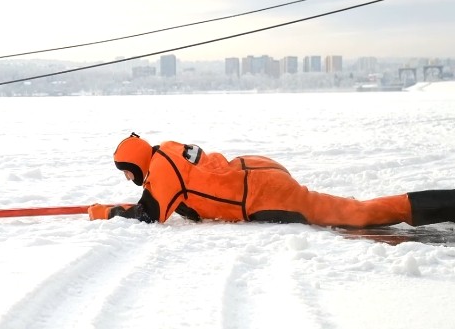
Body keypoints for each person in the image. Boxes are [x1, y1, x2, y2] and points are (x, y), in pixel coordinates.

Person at [88, 132, 455, 228]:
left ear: (135, 165)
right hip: (255, 169)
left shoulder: (162, 173)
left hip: (262, 193)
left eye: (125, 170)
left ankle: (446, 204)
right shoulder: (166, 150)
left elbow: (148, 215)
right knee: (349, 209)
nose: (126, 176)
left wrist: (105, 212)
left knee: (353, 213)